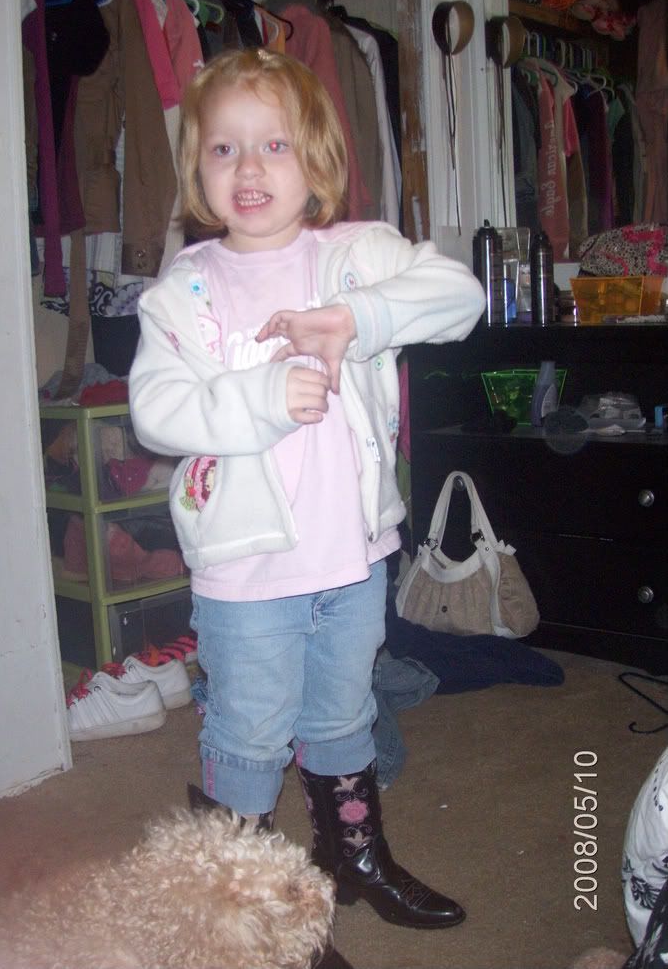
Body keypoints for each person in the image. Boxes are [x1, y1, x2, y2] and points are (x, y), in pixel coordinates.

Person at [129, 46, 485, 931]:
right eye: (224, 149)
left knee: (343, 713)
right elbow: (155, 411)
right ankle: (231, 910)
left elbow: (460, 297)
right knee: (249, 735)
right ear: (197, 168)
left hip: (352, 559)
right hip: (247, 573)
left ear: (317, 160)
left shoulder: (357, 256)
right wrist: (260, 397)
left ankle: (352, 856)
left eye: (275, 146)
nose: (249, 169)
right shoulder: (185, 291)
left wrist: (352, 320)